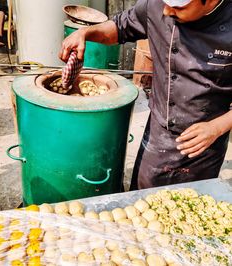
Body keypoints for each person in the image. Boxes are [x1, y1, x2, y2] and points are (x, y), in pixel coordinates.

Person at [59, 0, 232, 190]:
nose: (166, 10)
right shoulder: (157, 5)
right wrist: (86, 33)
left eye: (179, 7)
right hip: (159, 134)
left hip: (205, 142)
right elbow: (119, 27)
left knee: (191, 206)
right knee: (141, 198)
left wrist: (216, 127)